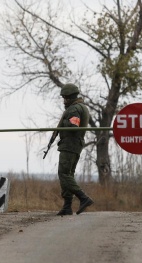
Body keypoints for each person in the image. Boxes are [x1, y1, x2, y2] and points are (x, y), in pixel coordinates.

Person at [56, 83, 94, 216]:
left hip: (70, 145)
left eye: (65, 98)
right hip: (74, 145)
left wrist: (64, 123)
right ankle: (67, 206)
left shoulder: (74, 109)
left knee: (64, 174)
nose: (64, 101)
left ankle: (83, 198)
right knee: (68, 175)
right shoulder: (81, 107)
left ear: (70, 97)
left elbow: (73, 126)